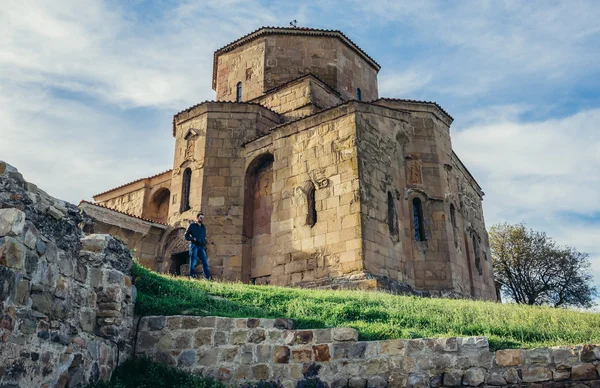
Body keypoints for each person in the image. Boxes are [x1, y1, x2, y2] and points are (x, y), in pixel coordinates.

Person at [184, 213, 211, 280]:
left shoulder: (203, 228)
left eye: (202, 218)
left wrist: (204, 242)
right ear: (197, 218)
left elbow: (203, 237)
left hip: (201, 247)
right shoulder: (192, 226)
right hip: (194, 245)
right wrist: (193, 238)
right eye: (200, 217)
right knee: (193, 262)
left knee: (205, 262)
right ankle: (192, 276)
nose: (201, 219)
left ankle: (207, 278)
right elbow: (186, 236)